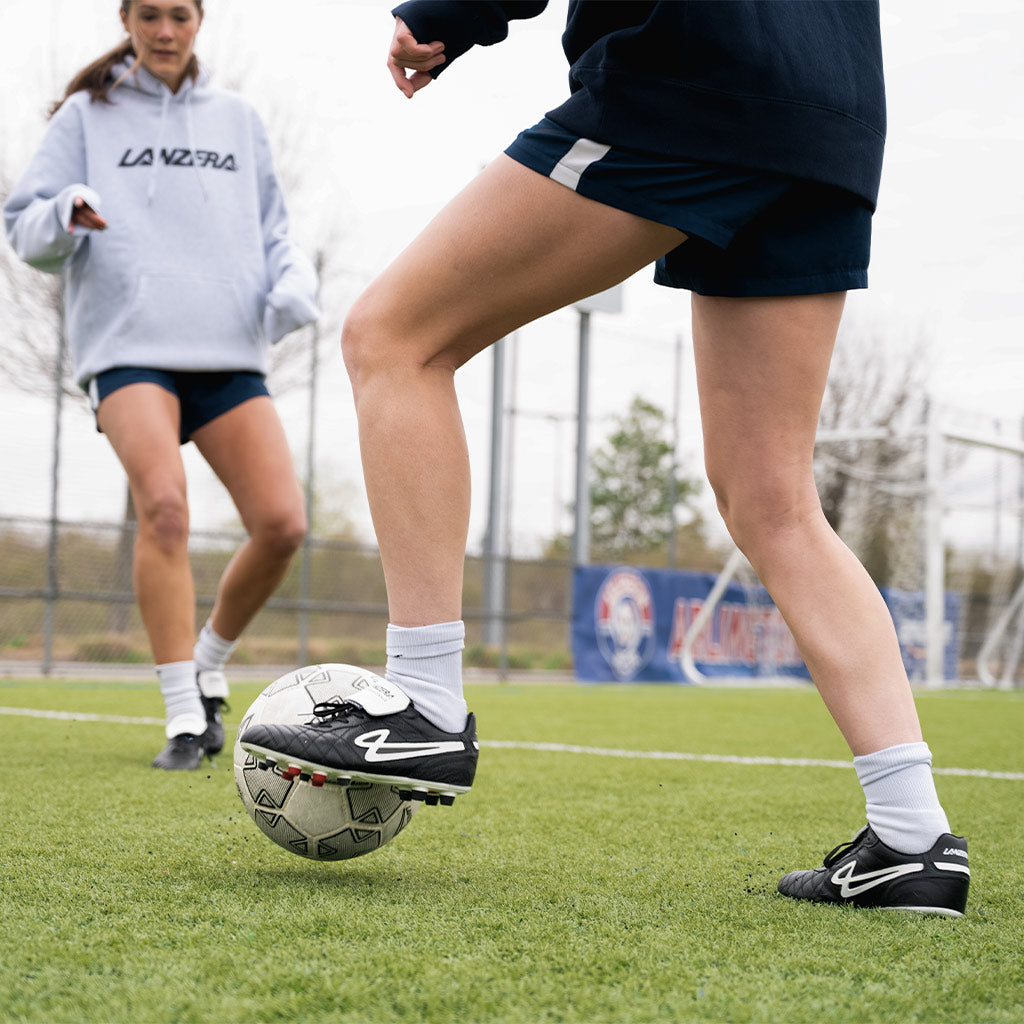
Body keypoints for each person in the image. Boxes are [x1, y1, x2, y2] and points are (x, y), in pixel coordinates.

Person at [240, 2, 970, 915]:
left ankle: (424, 699)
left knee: (394, 338)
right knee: (774, 500)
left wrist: (446, 16)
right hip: (834, 117)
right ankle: (911, 838)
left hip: (695, 73)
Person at [5, 0, 318, 771]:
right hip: (130, 346)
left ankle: (209, 662)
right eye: (150, 15)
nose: (165, 31)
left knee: (282, 525)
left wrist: (290, 279)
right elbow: (22, 226)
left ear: (200, 20)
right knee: (166, 509)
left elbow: (274, 226)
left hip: (228, 348)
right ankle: (184, 715)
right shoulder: (86, 115)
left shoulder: (237, 119)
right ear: (127, 19)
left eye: (179, 14)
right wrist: (65, 213)